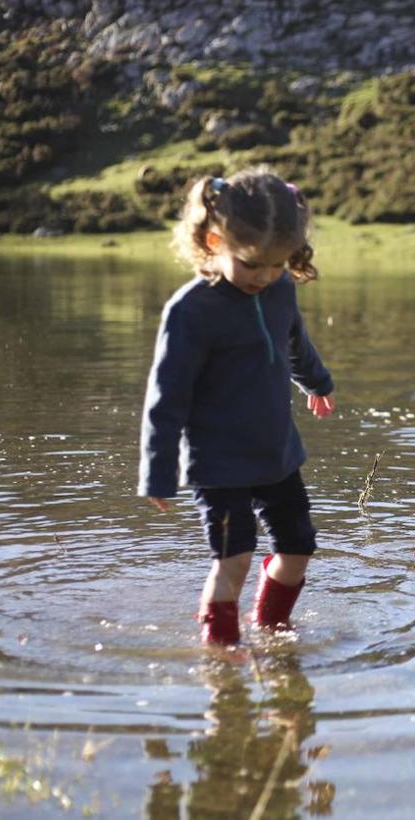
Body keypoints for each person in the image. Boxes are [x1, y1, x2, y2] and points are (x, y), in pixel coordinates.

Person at [138, 166, 335, 646]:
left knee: (299, 549)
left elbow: (295, 344)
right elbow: (165, 399)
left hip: (276, 456)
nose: (264, 277)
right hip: (218, 464)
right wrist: (158, 470)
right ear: (213, 240)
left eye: (276, 264)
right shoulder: (191, 311)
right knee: (234, 558)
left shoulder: (280, 288)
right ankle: (222, 651)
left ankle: (270, 628)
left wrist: (317, 382)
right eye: (251, 264)